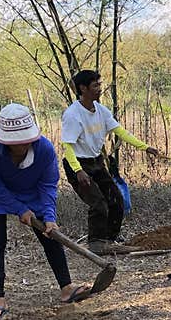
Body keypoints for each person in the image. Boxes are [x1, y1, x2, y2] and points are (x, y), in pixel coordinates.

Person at [0, 103, 93, 320]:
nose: (20, 145)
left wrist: (49, 216)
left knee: (50, 235)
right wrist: (20, 210)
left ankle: (67, 288)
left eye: (24, 140)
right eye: (14, 142)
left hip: (32, 191)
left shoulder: (45, 149)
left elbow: (48, 185)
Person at [61, 70, 159, 254]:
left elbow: (120, 132)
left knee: (116, 199)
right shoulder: (73, 115)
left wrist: (145, 147)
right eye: (95, 85)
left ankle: (110, 239)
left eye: (100, 84)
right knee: (98, 203)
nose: (100, 89)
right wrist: (78, 170)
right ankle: (96, 243)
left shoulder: (101, 110)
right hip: (79, 165)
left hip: (96, 161)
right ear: (83, 88)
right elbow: (67, 146)